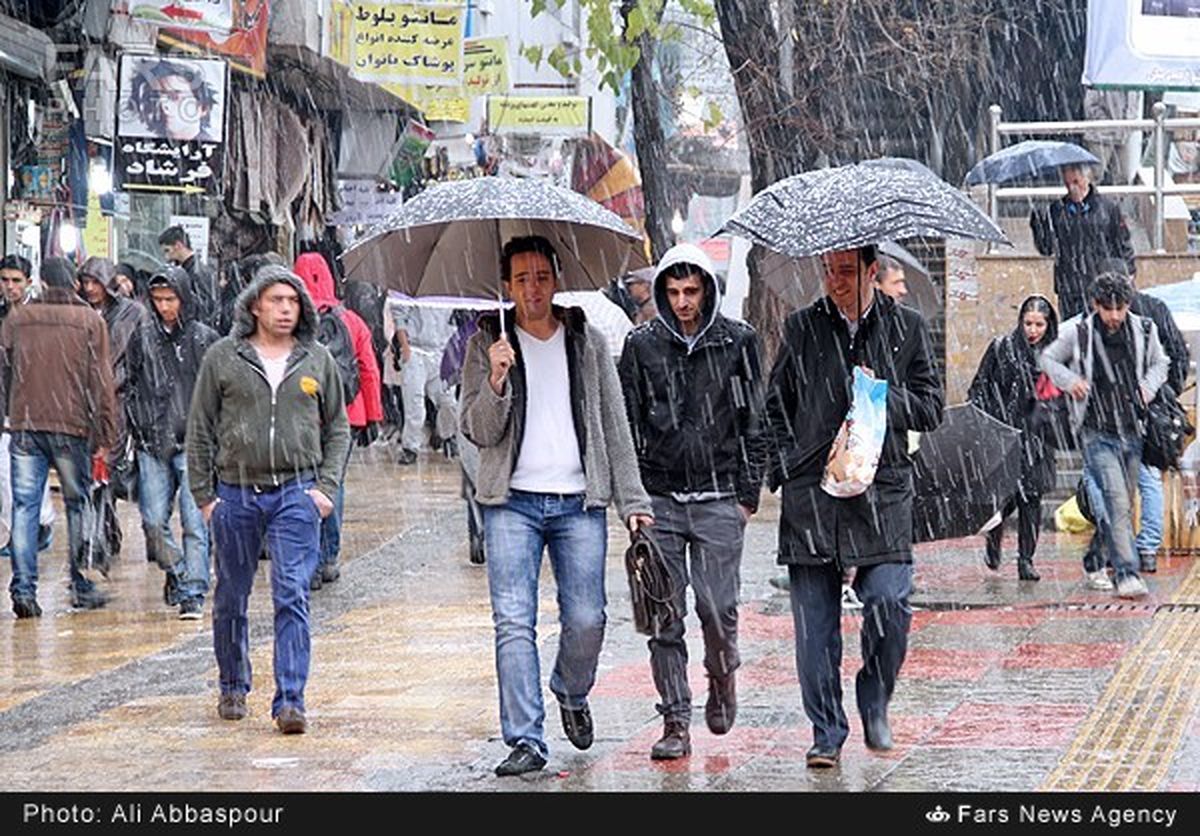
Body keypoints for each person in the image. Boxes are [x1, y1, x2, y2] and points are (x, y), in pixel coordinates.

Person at [459, 235, 653, 776]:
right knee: (513, 621)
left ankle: (571, 688)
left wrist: (632, 500)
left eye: (541, 276)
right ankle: (525, 738)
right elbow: (476, 429)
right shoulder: (485, 344)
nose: (532, 288)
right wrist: (497, 378)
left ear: (557, 279)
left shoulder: (585, 341)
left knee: (588, 618)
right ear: (506, 286)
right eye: (521, 279)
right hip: (511, 505)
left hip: (579, 503)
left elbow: (614, 424)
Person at [764, 245, 943, 769]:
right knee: (813, 629)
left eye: (845, 271)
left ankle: (875, 696)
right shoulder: (802, 328)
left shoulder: (904, 327)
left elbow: (930, 406)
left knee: (890, 604)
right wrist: (784, 470)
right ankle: (826, 729)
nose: (834, 281)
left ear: (871, 272)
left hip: (880, 491)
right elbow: (775, 407)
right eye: (827, 270)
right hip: (813, 493)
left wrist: (881, 394)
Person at [617, 243, 766, 760]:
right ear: (662, 291)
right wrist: (633, 497)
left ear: (707, 289)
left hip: (721, 495)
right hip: (659, 498)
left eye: (692, 291)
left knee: (718, 608)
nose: (683, 302)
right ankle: (675, 719)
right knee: (662, 614)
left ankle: (722, 675)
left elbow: (756, 421)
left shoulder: (737, 341)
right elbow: (627, 424)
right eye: (674, 292)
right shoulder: (642, 345)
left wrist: (747, 495)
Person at [186, 265, 350, 734]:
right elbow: (200, 429)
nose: (284, 309)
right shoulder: (223, 358)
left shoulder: (316, 360)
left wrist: (325, 490)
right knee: (231, 595)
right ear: (255, 305)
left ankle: (291, 700)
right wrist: (205, 497)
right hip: (235, 494)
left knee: (292, 594)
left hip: (297, 493)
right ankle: (233, 683)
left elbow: (338, 428)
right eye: (276, 300)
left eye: (293, 301)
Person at [0, 257, 118, 616]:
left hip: (25, 425)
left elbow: (4, 370)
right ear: (75, 285)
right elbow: (101, 382)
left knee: (24, 508)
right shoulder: (89, 321)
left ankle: (23, 588)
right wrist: (105, 432)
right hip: (71, 427)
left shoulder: (18, 319)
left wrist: (12, 411)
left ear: (42, 284)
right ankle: (79, 582)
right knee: (77, 505)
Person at [1040, 273, 1170, 598]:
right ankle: (1127, 573)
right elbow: (1047, 357)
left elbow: (1161, 364)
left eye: (1120, 308)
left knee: (1121, 506)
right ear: (1095, 305)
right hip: (1096, 431)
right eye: (1107, 308)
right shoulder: (1078, 331)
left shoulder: (1143, 329)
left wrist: (1148, 388)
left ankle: (1094, 557)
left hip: (1133, 430)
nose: (1114, 316)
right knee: (1116, 499)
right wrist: (1071, 381)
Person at [126, 266, 219, 620]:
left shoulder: (203, 339)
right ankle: (180, 572)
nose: (165, 306)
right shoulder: (143, 337)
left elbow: (218, 391)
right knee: (152, 520)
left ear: (184, 298)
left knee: (195, 522)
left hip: (195, 443)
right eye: (159, 299)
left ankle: (193, 590)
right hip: (152, 442)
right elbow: (131, 383)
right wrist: (137, 427)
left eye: (171, 299)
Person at [294, 251, 383, 589]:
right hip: (346, 415)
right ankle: (328, 556)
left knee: (304, 484)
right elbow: (368, 368)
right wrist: (373, 415)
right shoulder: (352, 320)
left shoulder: (292, 321)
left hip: (303, 416)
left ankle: (309, 558)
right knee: (334, 484)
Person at [968, 295, 1064, 581]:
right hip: (1005, 435)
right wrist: (988, 423)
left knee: (1031, 499)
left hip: (1039, 436)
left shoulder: (1056, 354)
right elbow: (979, 387)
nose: (1033, 330)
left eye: (1039, 324)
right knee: (1005, 499)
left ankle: (1026, 560)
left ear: (1049, 325)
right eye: (1028, 323)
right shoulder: (1003, 348)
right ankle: (994, 538)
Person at [78, 257, 146, 569]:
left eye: (96, 282)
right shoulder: (77, 312)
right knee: (87, 469)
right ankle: (99, 531)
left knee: (109, 465)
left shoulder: (132, 313)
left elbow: (142, 358)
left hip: (118, 401)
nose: (91, 288)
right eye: (86, 282)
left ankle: (102, 531)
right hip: (81, 402)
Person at [1030, 164, 1135, 320]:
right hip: (1070, 287)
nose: (1072, 188)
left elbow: (1122, 243)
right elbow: (1046, 248)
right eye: (1067, 184)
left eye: (1076, 182)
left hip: (1100, 282)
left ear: (1087, 180)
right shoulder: (1057, 210)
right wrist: (1037, 224)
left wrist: (1128, 272)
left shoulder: (1107, 208)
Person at [391, 298, 456, 464]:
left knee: (448, 401)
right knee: (415, 405)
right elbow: (399, 318)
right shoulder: (410, 287)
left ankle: (448, 437)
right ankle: (410, 448)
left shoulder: (448, 288)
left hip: (441, 352)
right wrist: (405, 348)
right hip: (415, 351)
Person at [125, 58, 218, 142]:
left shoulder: (211, 150)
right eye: (155, 98)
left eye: (174, 97)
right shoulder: (143, 145)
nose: (163, 105)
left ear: (203, 108)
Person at [159, 226, 218, 330]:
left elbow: (205, 308)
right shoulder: (188, 269)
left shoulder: (197, 272)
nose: (166, 257)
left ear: (178, 245)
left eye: (167, 250)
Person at [0, 254, 33, 323]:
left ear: (28, 283)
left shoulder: (39, 312)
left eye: (16, 280)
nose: (10, 286)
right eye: (4, 280)